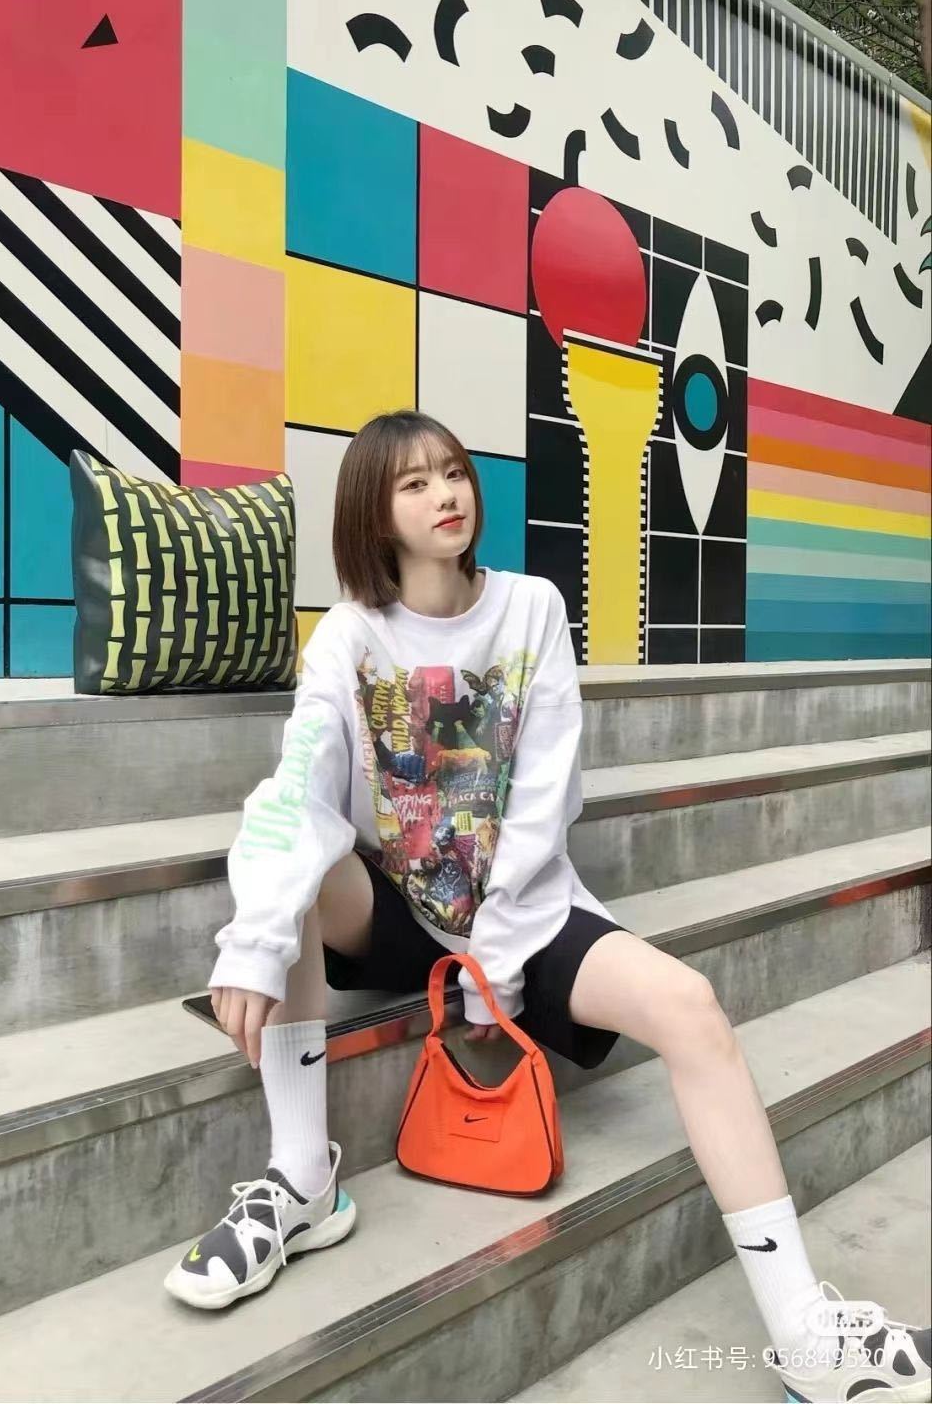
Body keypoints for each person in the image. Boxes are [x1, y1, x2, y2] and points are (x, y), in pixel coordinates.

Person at [163, 411, 930, 1403]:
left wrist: (495, 956)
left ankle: (807, 1334)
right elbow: (296, 788)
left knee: (692, 1008)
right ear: (375, 514)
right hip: (392, 910)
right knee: (299, 871)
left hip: (521, 911)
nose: (447, 493)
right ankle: (303, 1179)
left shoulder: (531, 607)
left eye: (452, 471)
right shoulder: (348, 638)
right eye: (413, 483)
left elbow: (544, 795)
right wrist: (255, 940)